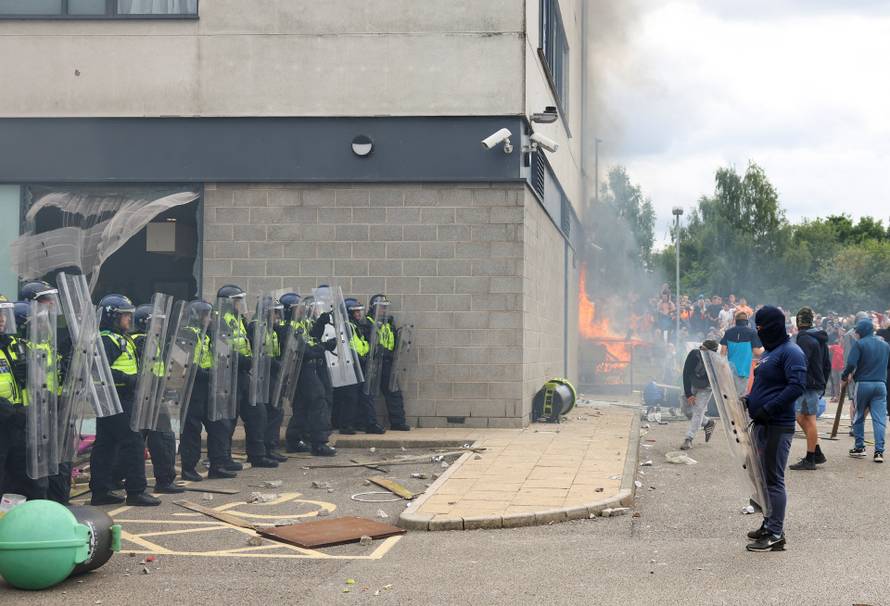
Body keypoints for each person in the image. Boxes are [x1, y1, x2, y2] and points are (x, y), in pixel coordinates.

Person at [744, 305, 806, 552]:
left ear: (772, 326)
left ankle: (776, 533)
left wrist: (769, 408)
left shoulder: (792, 352)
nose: (758, 332)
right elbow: (765, 386)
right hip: (762, 424)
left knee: (773, 479)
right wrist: (748, 400)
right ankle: (768, 523)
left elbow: (796, 386)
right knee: (761, 478)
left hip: (777, 425)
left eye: (760, 327)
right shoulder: (771, 352)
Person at [91, 294, 160, 506]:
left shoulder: (121, 338)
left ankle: (101, 491)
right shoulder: (106, 339)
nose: (129, 319)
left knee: (106, 445)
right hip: (117, 397)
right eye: (124, 316)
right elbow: (100, 371)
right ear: (112, 317)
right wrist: (130, 380)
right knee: (133, 442)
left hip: (120, 398)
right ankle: (136, 491)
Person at [218, 285, 278, 469]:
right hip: (229, 375)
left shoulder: (239, 320)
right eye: (237, 300)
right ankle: (223, 458)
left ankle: (257, 455)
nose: (240, 304)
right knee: (229, 419)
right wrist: (239, 360)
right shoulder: (220, 320)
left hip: (244, 374)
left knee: (257, 413)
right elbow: (220, 348)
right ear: (228, 302)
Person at [126, 304, 184, 493]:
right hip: (149, 398)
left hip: (150, 396)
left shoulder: (142, 340)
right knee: (163, 438)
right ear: (145, 323)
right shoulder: (143, 341)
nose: (159, 326)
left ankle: (117, 477)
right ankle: (164, 480)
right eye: (156, 322)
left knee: (135, 441)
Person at [179, 300, 236, 481]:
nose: (210, 319)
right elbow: (182, 363)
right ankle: (188, 468)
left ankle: (217, 465)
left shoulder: (209, 334)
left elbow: (223, 355)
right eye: (207, 316)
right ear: (198, 316)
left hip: (209, 387)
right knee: (191, 430)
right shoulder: (185, 334)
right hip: (192, 388)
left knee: (219, 425)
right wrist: (205, 373)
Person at [0, 296, 48, 500]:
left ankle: (28, 522)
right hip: (6, 418)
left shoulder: (14, 345)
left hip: (19, 422)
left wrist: (32, 373)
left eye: (3, 314)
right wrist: (9, 412)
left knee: (25, 477)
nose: (2, 319)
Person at [246, 298, 288, 463]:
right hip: (260, 375)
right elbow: (259, 352)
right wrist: (275, 363)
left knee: (276, 410)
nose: (277, 316)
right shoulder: (256, 327)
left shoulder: (270, 328)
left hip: (271, 374)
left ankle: (271, 447)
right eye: (274, 312)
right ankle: (263, 449)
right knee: (265, 413)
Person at [842, 318, 890, 462]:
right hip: (881, 385)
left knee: (858, 416)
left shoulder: (860, 344)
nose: (855, 333)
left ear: (862, 331)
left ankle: (859, 447)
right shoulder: (885, 345)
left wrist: (845, 376)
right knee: (880, 419)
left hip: (863, 383)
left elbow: (851, 363)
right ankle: (879, 452)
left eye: (857, 331)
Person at [788, 307, 830, 471]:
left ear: (799, 322)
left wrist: (793, 380)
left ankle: (810, 458)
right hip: (815, 383)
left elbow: (801, 362)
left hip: (808, 384)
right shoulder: (820, 338)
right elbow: (827, 364)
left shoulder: (804, 338)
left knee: (808, 419)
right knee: (800, 417)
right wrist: (823, 382)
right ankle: (816, 452)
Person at [368, 295, 410, 431]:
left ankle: (398, 422)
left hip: (387, 362)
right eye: (381, 308)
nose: (384, 310)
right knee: (369, 394)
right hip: (373, 363)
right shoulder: (368, 322)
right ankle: (369, 423)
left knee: (393, 392)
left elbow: (393, 341)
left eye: (386, 308)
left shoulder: (389, 323)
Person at [680, 340, 718, 450]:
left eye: (705, 351)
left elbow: (717, 380)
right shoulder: (694, 354)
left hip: (706, 387)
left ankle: (689, 438)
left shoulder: (715, 361)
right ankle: (707, 422)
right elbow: (686, 373)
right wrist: (688, 394)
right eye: (701, 349)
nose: (702, 351)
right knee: (685, 409)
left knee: (698, 410)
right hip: (692, 382)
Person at [720, 310, 763, 397]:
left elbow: (722, 352)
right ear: (746, 321)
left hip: (729, 370)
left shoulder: (728, 332)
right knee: (739, 398)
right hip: (742, 371)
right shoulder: (752, 332)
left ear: (735, 321)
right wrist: (765, 348)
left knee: (729, 396)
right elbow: (757, 352)